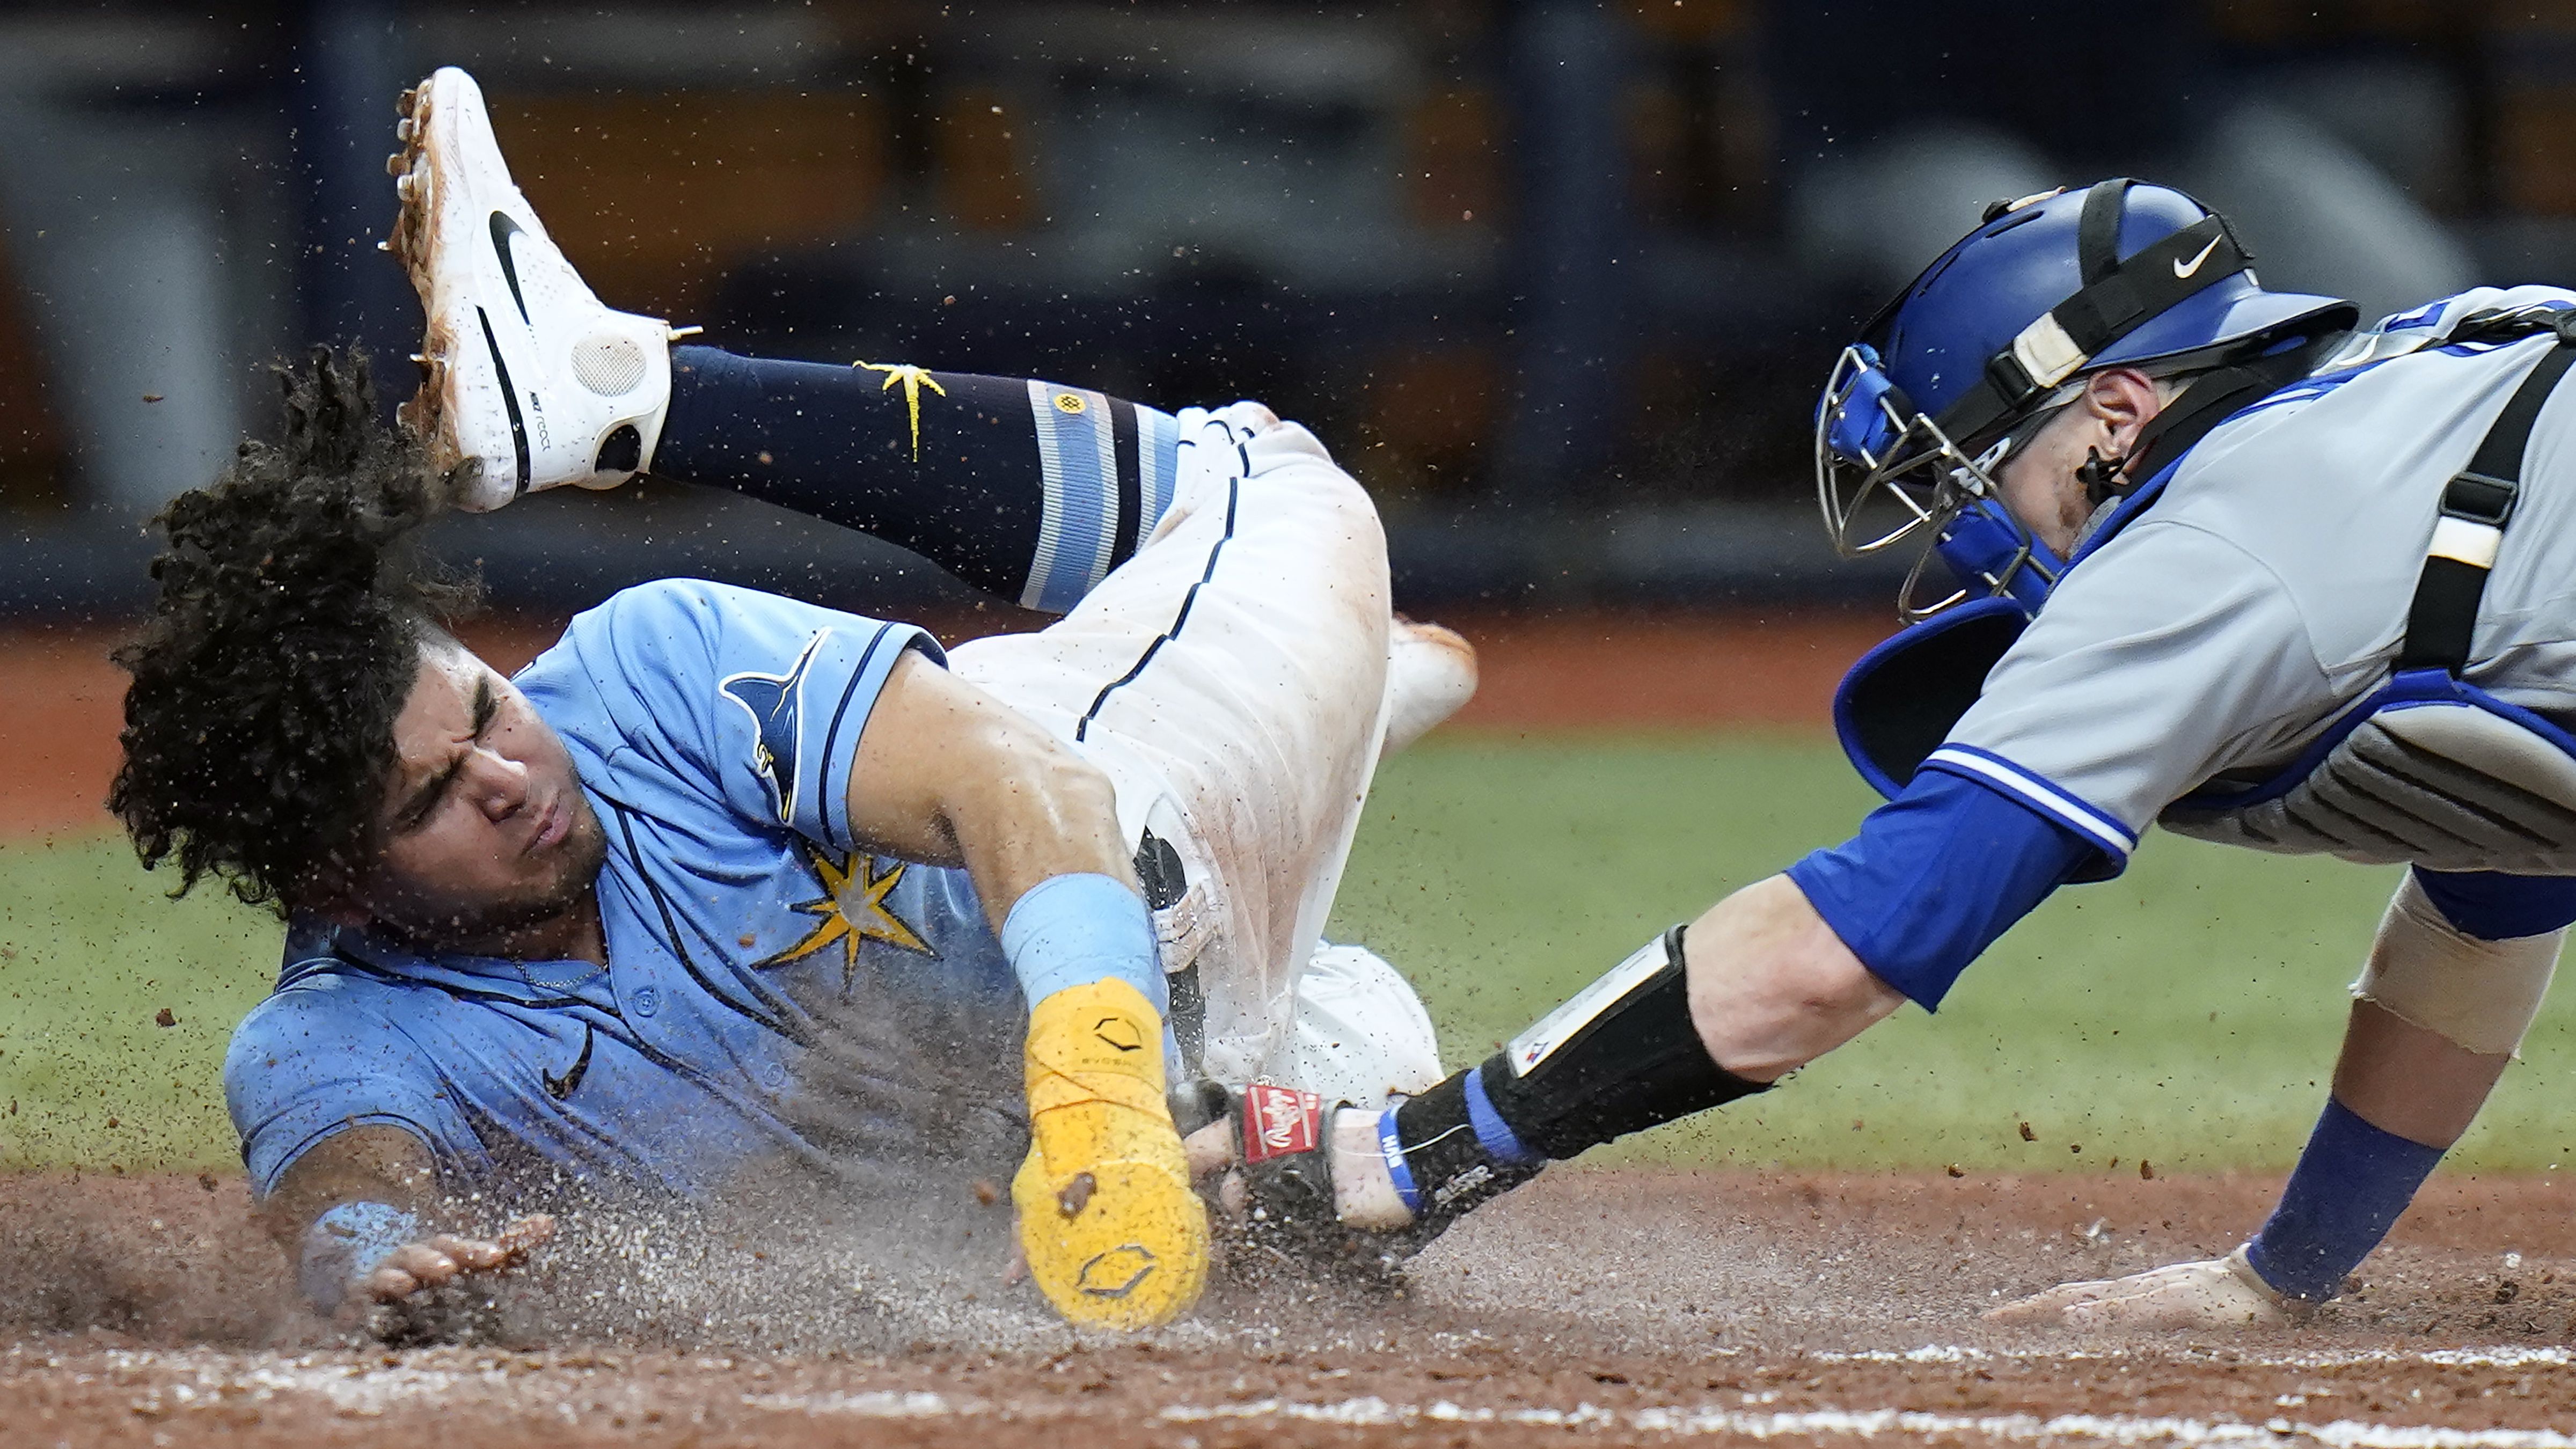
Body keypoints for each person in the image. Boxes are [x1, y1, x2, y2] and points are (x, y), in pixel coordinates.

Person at [111, 67, 1474, 1335]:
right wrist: (373, 1265)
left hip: (1132, 832)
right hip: (1212, 1059)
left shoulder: (641, 675)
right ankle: (1335, 721)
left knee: (1264, 481)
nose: (510, 775)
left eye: (486, 711)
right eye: (436, 798)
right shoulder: (336, 1034)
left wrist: (1098, 1094)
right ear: (338, 887)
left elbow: (1034, 795)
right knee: (1361, 1117)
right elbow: (346, 1198)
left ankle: (640, 398)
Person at [1216, 179, 2576, 1328]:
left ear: (2118, 412)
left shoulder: (2213, 542)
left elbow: (1833, 958)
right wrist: (2287, 1278)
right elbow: (2501, 875)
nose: (1994, 538)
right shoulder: (2421, 391)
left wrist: (1403, 1159)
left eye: (1991, 476)